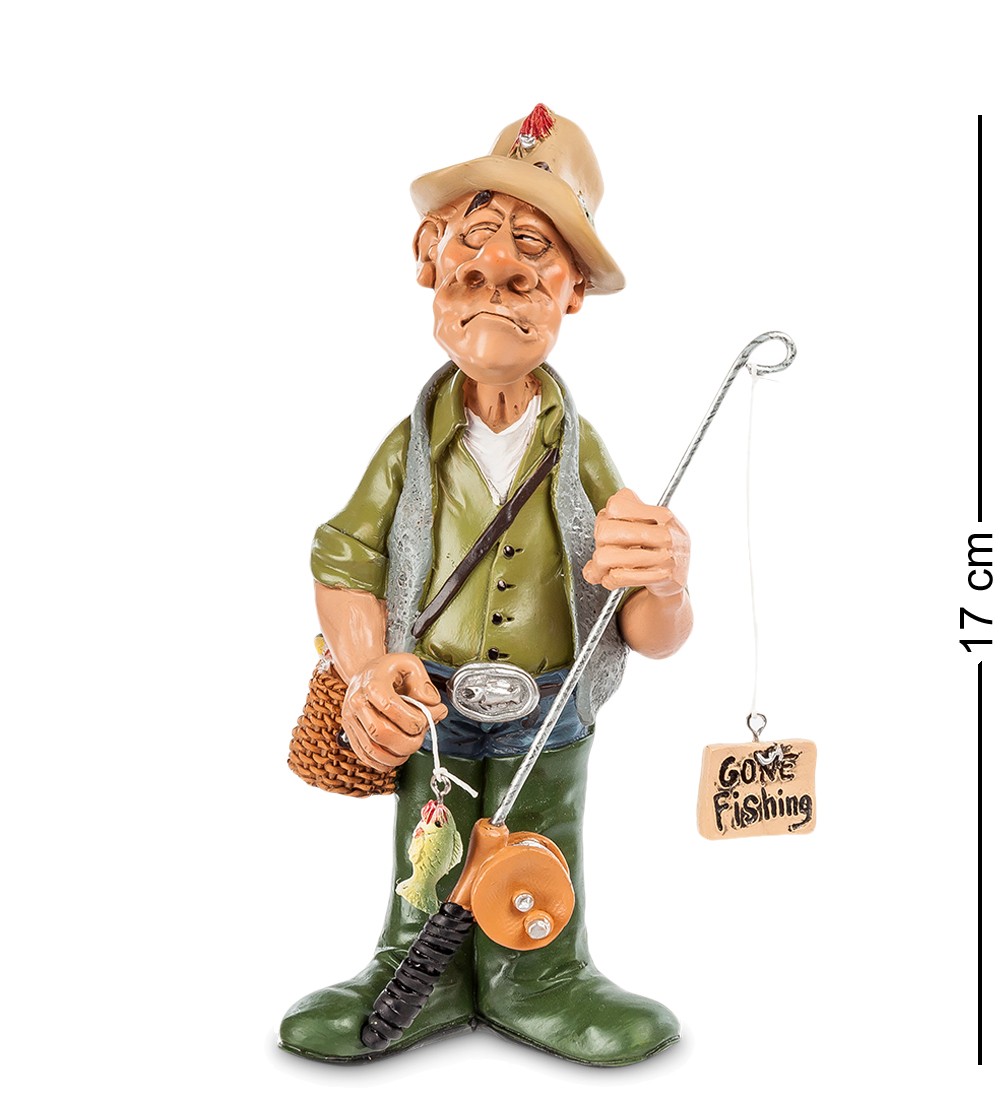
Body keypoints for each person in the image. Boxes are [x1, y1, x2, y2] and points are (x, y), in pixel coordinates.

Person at [279, 106, 693, 1066]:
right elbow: (344, 558)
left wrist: (665, 583)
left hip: (549, 704)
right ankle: (414, 973)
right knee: (429, 855)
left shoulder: (579, 453)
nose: (493, 267)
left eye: (531, 249)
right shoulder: (413, 446)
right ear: (430, 261)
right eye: (473, 240)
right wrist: (367, 667)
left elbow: (648, 632)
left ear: (571, 291)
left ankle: (538, 977)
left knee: (538, 850)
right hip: (432, 701)